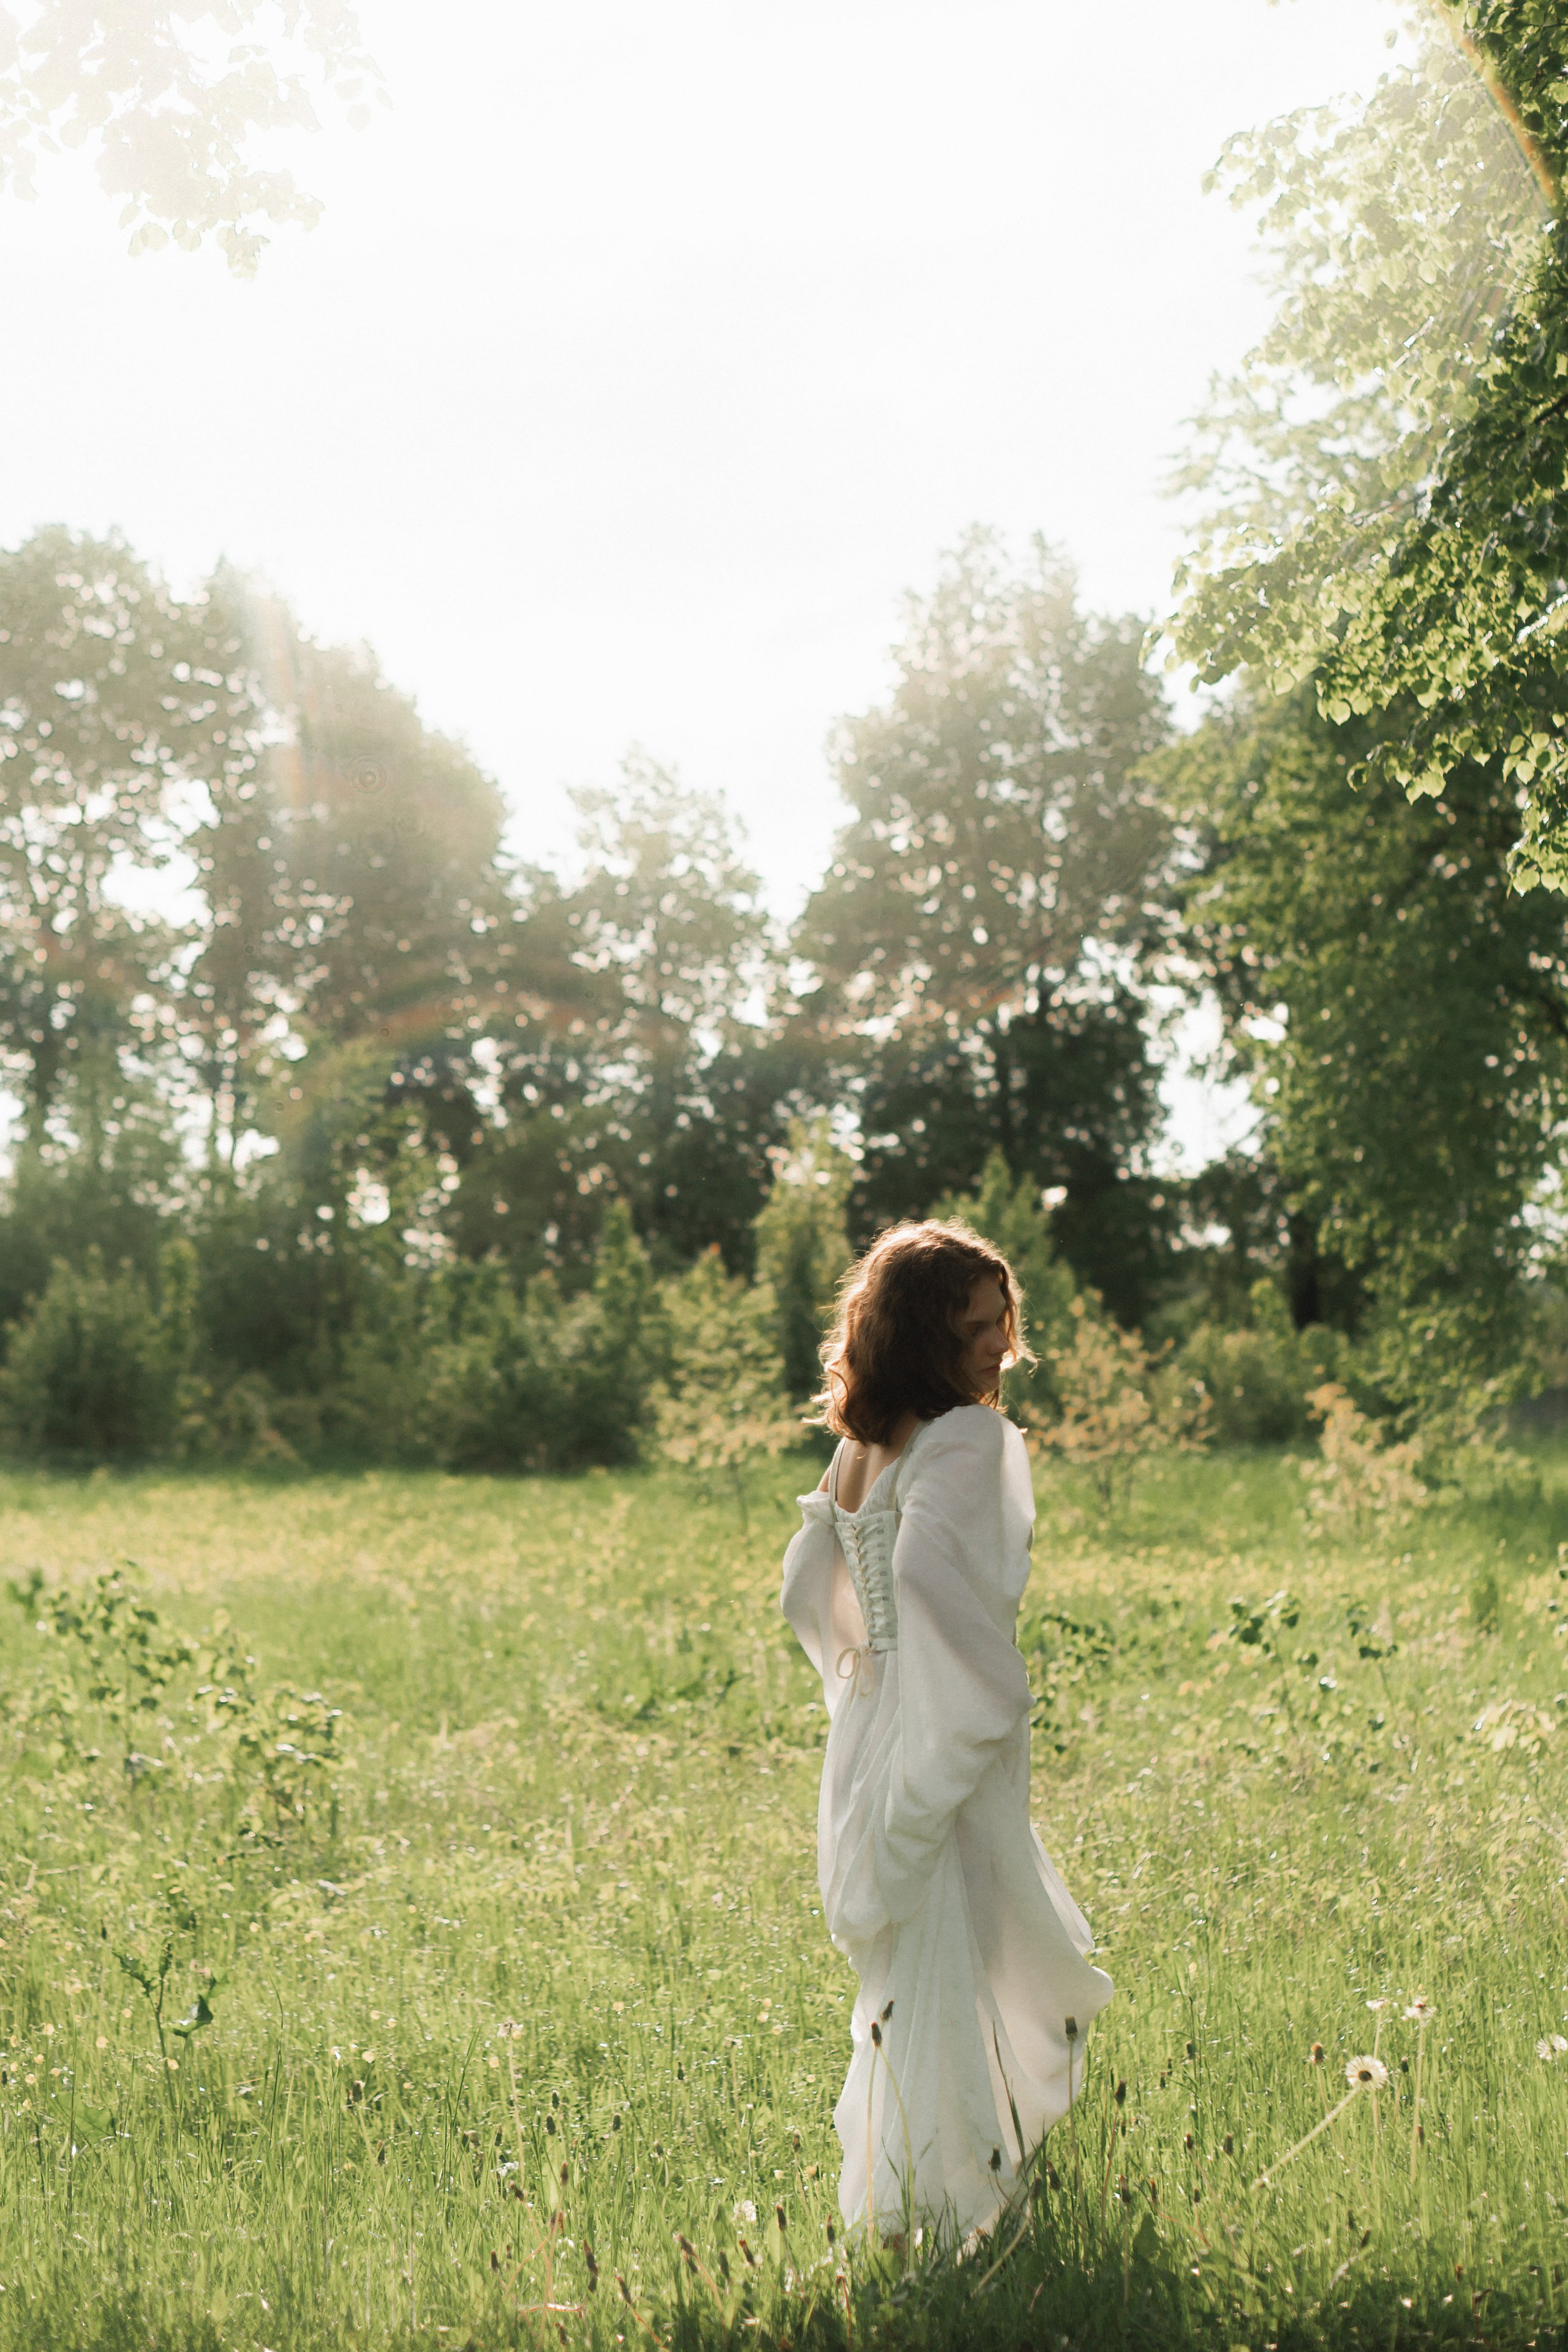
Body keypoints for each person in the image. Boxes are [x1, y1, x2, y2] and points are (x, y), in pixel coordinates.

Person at [779, 1219, 1111, 2245]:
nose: (996, 1346)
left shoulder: (859, 1450)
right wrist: (987, 1692)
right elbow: (927, 1577)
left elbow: (804, 1582)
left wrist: (864, 1679)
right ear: (923, 1332)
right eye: (973, 1326)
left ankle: (913, 2198)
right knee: (978, 1953)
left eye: (1001, 1322)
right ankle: (966, 2201)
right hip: (946, 1718)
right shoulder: (969, 1437)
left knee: (917, 1962)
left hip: (878, 1728)